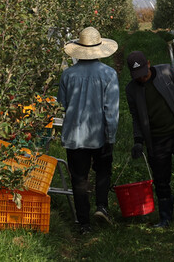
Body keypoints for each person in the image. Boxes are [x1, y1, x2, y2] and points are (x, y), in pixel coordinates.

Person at [57, 26, 120, 234]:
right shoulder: (109, 74)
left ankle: (83, 223)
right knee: (103, 171)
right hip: (99, 133)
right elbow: (111, 110)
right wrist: (110, 137)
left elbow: (62, 104)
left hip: (74, 136)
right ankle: (101, 206)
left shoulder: (68, 75)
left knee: (79, 179)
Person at [124, 50, 174, 227]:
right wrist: (138, 140)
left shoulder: (166, 73)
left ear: (148, 63)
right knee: (161, 179)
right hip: (156, 140)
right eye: (136, 76)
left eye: (142, 74)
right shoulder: (131, 89)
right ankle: (165, 216)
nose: (141, 79)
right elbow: (136, 117)